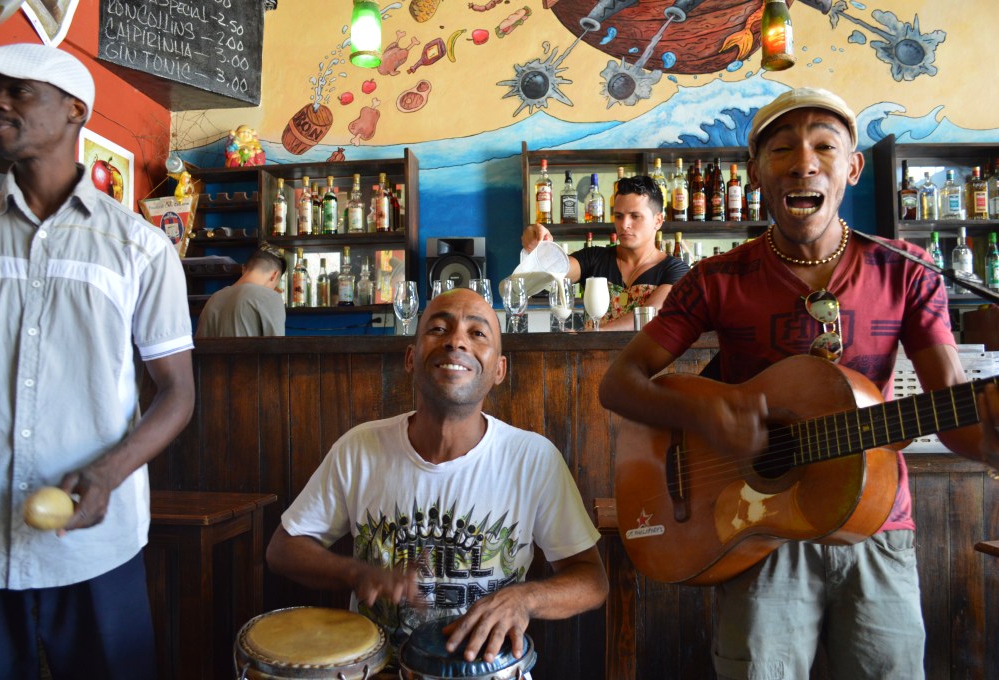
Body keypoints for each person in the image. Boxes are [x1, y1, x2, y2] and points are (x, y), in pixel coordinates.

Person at [598, 87, 999, 680]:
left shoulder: (907, 270)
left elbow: (955, 414)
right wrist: (707, 417)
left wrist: (992, 438)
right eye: (781, 149)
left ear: (852, 168)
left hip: (876, 528)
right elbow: (620, 384)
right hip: (759, 532)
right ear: (756, 173)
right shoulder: (716, 278)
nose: (802, 162)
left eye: (823, 146)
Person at [0, 44, 195, 679]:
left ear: (75, 109)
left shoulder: (141, 249)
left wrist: (108, 473)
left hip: (98, 548)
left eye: (18, 91)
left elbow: (176, 394)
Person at [267, 287, 608, 665]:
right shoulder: (359, 448)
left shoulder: (532, 458)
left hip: (487, 670)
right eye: (439, 329)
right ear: (412, 358)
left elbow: (592, 580)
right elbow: (283, 549)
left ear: (499, 369)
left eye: (477, 333)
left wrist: (524, 599)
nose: (455, 341)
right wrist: (355, 572)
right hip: (379, 669)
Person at [521, 174, 689, 330]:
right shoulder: (594, 258)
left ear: (658, 220)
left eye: (635, 216)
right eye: (618, 216)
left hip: (647, 361)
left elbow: (650, 315)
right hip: (593, 361)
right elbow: (554, 269)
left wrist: (594, 335)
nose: (624, 224)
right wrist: (535, 238)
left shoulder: (676, 270)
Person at [196, 245, 287, 338]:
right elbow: (276, 349)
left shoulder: (214, 298)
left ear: (243, 269)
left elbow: (200, 345)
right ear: (274, 275)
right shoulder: (270, 297)